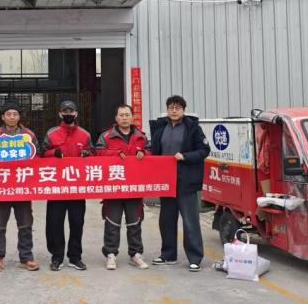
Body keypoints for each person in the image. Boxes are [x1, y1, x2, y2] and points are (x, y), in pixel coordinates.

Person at [148, 95, 210, 272]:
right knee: (166, 220)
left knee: (190, 221)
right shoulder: (161, 127)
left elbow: (204, 150)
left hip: (186, 181)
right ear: (167, 110)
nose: (174, 111)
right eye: (171, 108)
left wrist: (185, 156)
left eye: (177, 108)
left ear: (183, 110)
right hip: (166, 181)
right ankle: (168, 255)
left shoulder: (193, 128)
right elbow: (154, 151)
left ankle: (195, 258)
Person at [0, 101, 40, 272]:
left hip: (23, 186)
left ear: (19, 116)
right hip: (1, 187)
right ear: (3, 117)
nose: (12, 117)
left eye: (15, 114)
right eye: (8, 114)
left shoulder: (29, 135)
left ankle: (26, 257)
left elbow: (37, 158)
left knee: (25, 224)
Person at [95, 104, 149, 270]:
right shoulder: (106, 136)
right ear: (116, 118)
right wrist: (115, 154)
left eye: (127, 115)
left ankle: (135, 254)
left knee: (135, 222)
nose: (124, 118)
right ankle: (111, 254)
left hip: (134, 187)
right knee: (112, 222)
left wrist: (145, 153)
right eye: (121, 115)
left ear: (132, 117)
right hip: (114, 187)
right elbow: (97, 153)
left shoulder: (141, 136)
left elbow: (151, 152)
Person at [41, 100, 93, 272]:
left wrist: (87, 153)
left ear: (76, 114)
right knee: (54, 223)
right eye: (65, 111)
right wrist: (53, 153)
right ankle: (56, 256)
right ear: (60, 114)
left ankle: (75, 257)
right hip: (56, 187)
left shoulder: (84, 135)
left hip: (77, 187)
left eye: (71, 111)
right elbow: (41, 154)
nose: (68, 114)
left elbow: (94, 154)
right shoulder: (52, 134)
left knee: (77, 223)